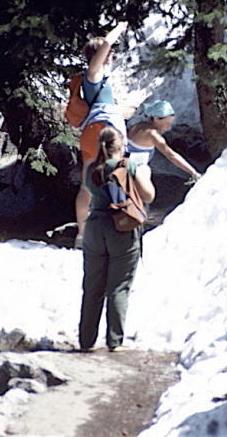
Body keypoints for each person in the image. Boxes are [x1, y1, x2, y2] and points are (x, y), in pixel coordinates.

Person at [79, 125, 155, 352]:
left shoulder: (91, 168)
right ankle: (114, 341)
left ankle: (86, 341)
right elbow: (149, 194)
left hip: (94, 227)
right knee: (118, 287)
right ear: (121, 146)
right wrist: (145, 173)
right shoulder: (129, 166)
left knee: (92, 286)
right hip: (121, 227)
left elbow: (90, 191)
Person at [74, 21, 130, 246]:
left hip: (90, 132)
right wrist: (120, 27)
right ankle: (122, 227)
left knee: (87, 185)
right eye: (107, 52)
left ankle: (81, 235)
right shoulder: (93, 74)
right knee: (117, 175)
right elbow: (108, 42)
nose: (112, 52)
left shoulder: (95, 79)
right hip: (103, 132)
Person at [126, 100, 201, 180]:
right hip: (131, 173)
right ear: (156, 119)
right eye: (167, 123)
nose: (169, 127)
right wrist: (193, 172)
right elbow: (171, 155)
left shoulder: (138, 125)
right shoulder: (153, 135)